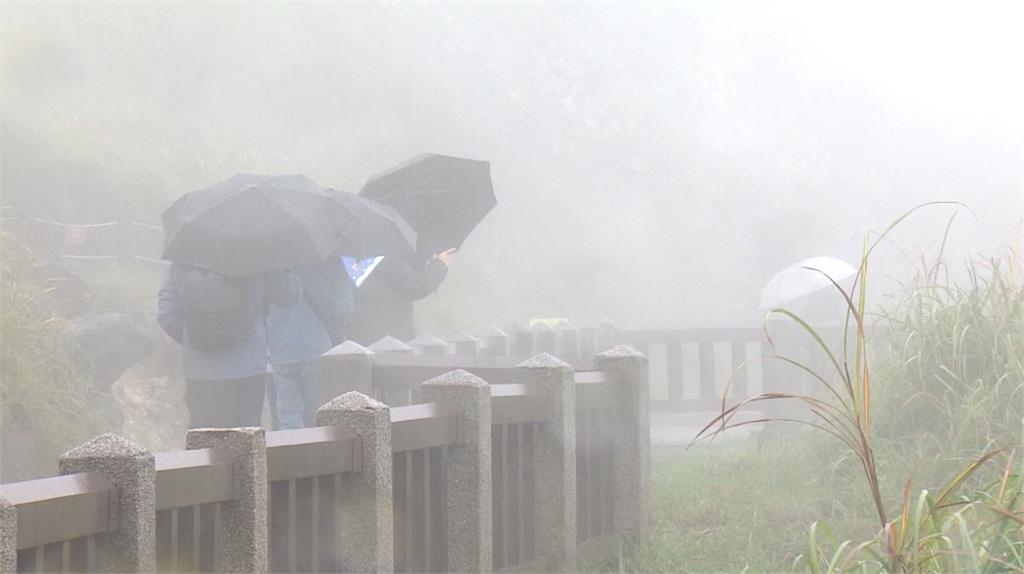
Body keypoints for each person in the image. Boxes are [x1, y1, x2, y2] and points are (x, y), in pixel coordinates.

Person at [157, 263, 300, 428]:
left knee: (204, 443)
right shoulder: (255, 254)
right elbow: (289, 295)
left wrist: (194, 341)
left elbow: (166, 315)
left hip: (200, 373)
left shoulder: (181, 261)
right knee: (246, 442)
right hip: (247, 370)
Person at [266, 261, 355, 429]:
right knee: (318, 412)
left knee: (287, 414)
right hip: (318, 347)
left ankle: (292, 450)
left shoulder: (275, 263)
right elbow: (342, 308)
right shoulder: (330, 262)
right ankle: (316, 451)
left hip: (280, 348)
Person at [349, 244, 455, 344]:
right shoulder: (385, 252)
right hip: (388, 336)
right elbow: (415, 286)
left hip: (360, 333)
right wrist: (440, 264)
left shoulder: (353, 254)